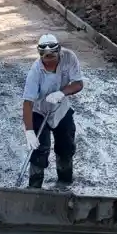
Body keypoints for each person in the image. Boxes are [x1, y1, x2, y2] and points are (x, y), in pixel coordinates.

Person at [21, 33, 84, 188]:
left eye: (52, 58)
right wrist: (29, 131)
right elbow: (27, 103)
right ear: (40, 55)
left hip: (61, 108)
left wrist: (62, 93)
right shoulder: (35, 71)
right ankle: (34, 186)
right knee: (39, 150)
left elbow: (78, 83)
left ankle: (64, 183)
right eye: (45, 59)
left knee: (66, 147)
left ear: (59, 52)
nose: (49, 62)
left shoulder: (69, 58)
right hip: (39, 110)